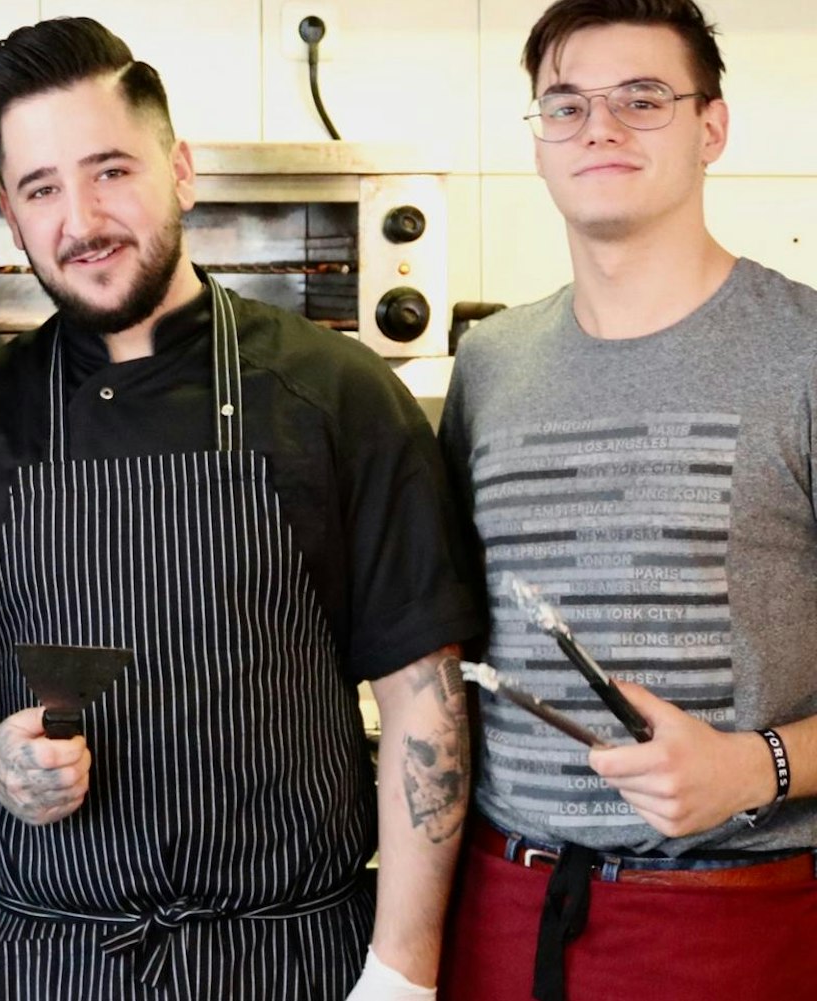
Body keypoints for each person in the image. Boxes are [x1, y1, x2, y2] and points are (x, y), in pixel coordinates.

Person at [0, 18, 484, 1000]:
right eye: (40, 189)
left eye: (109, 169)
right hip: (45, 963)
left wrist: (401, 972)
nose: (79, 217)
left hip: (289, 960)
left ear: (181, 169)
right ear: (12, 214)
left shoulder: (334, 395)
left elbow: (425, 694)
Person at [436, 2, 817, 998]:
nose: (596, 127)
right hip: (501, 909)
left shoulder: (803, 354)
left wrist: (757, 765)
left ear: (710, 127)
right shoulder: (487, 366)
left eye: (639, 98)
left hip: (735, 919)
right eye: (563, 105)